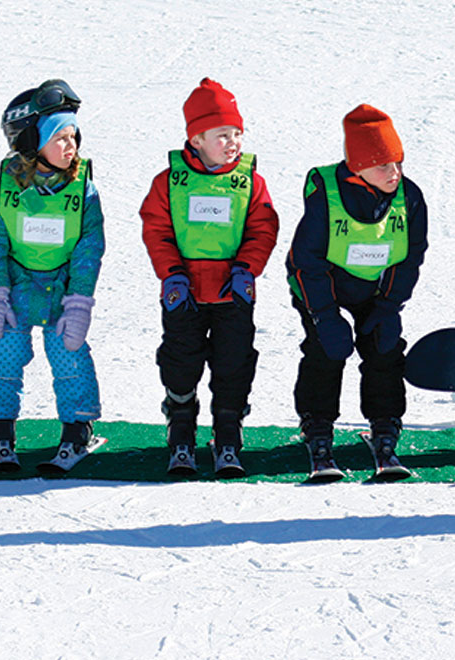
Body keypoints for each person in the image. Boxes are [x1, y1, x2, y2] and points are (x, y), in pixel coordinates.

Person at [140, 78, 280, 477]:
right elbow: (157, 229)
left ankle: (228, 432)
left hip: (231, 293)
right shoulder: (169, 181)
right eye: (222, 135)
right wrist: (171, 275)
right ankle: (181, 429)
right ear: (197, 138)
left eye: (237, 133)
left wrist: (246, 269)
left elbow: (263, 228)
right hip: (184, 293)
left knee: (234, 363)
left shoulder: (250, 181)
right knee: (181, 360)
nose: (233, 142)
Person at [287, 104, 428, 481]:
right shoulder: (326, 195)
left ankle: (385, 424)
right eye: (383, 165)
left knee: (384, 347)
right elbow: (306, 261)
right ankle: (317, 426)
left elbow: (411, 255)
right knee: (327, 348)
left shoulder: (409, 197)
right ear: (358, 166)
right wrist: (325, 315)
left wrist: (389, 305)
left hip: (375, 289)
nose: (393, 172)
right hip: (323, 285)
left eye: (398, 162)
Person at [0, 79, 105, 473]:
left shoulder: (84, 191)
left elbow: (88, 248)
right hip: (16, 286)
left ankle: (76, 430)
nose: (72, 147)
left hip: (62, 287)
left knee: (68, 354)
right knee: (2, 354)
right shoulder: (5, 189)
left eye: (73, 137)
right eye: (60, 138)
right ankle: (0, 433)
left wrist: (79, 302)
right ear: (33, 143)